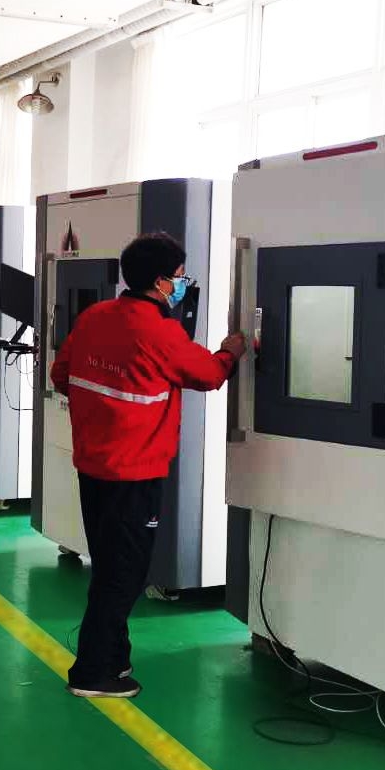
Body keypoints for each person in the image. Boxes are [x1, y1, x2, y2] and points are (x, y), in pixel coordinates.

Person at [50, 232, 247, 699]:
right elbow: (209, 374)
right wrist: (232, 350)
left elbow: (61, 376)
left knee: (109, 565)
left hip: (93, 465)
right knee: (124, 574)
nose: (181, 284)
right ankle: (92, 673)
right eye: (179, 277)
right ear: (160, 282)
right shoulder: (159, 331)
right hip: (134, 473)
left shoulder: (95, 316)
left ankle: (115, 660)